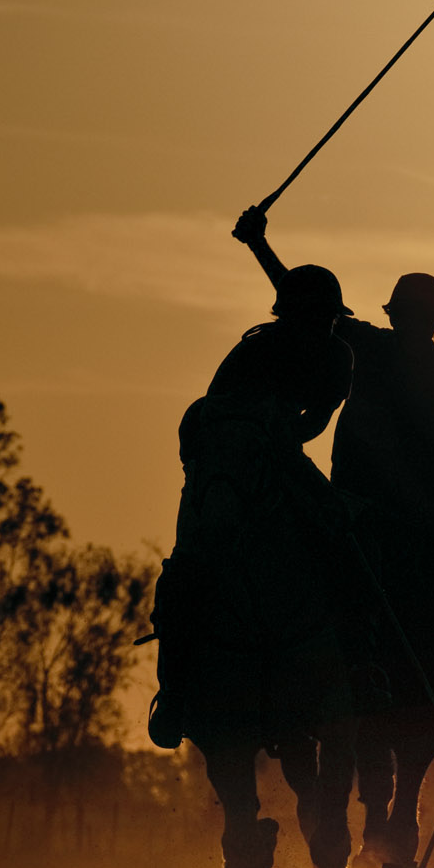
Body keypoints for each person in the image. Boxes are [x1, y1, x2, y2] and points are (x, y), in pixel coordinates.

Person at [148, 262, 355, 749]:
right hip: (226, 465)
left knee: (345, 532)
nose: (320, 326)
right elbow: (211, 418)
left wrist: (280, 437)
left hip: (284, 455)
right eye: (312, 317)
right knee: (185, 570)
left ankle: (360, 669)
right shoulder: (251, 352)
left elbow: (317, 419)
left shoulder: (338, 355)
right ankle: (174, 693)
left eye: (326, 318)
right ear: (288, 316)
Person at [229, 204, 434, 583]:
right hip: (382, 515)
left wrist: (258, 243)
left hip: (377, 516)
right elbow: (307, 302)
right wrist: (258, 244)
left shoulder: (372, 347)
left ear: (395, 314)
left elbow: (305, 301)